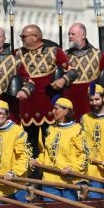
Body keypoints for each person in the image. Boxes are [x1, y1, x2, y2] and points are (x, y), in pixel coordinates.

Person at [14, 24, 72, 157]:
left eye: (24, 36)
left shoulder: (54, 51)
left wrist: (63, 80)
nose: (21, 39)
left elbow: (72, 71)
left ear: (35, 37)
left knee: (51, 143)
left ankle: (52, 172)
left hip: (50, 105)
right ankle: (33, 173)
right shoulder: (17, 53)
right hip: (26, 106)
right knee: (29, 145)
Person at [30, 97, 90, 200]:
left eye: (56, 109)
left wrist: (72, 168)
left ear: (66, 111)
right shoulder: (50, 129)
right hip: (49, 180)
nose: (53, 112)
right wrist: (37, 161)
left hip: (69, 181)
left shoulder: (77, 130)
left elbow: (85, 155)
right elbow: (46, 153)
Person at [0, 99, 31, 203]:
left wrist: (14, 172)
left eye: (0, 113)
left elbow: (24, 156)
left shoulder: (17, 131)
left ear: (7, 115)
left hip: (15, 183)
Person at [63, 22, 104, 117]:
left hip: (90, 101)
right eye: (69, 34)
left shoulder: (98, 54)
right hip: (69, 100)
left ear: (83, 35)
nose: (70, 36)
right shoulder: (65, 55)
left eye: (73, 34)